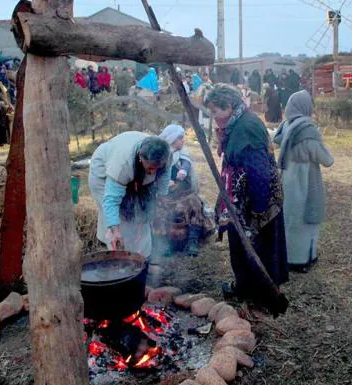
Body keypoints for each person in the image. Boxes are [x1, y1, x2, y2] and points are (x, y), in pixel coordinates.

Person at [204, 85, 289, 306]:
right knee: (240, 244)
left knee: (258, 245)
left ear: (229, 106)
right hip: (240, 199)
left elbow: (259, 170)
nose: (213, 118)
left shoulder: (247, 128)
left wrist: (259, 210)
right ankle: (244, 286)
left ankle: (262, 294)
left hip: (256, 199)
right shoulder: (235, 124)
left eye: (215, 112)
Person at [273, 90, 334, 272]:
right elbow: (327, 160)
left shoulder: (286, 126)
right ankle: (301, 261)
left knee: (290, 218)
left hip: (286, 175)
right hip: (305, 178)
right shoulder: (307, 129)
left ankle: (289, 257)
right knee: (305, 218)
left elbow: (276, 139)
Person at [89, 132, 172, 257]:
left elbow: (163, 181)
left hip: (131, 172)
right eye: (150, 168)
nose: (153, 172)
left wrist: (161, 203)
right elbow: (111, 201)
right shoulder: (123, 164)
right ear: (140, 157)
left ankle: (142, 256)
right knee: (120, 217)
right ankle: (117, 255)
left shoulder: (166, 156)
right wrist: (116, 230)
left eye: (157, 168)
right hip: (104, 172)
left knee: (142, 212)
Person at [152, 125, 216, 257]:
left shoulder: (183, 155)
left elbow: (187, 175)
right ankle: (165, 242)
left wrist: (182, 174)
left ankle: (192, 241)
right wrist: (164, 183)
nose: (183, 141)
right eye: (180, 138)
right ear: (172, 139)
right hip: (166, 195)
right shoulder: (161, 155)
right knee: (157, 207)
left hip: (183, 195)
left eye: (183, 138)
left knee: (195, 203)